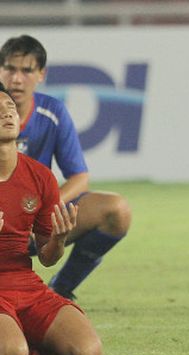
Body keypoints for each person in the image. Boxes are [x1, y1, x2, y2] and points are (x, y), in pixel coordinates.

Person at [0, 35, 131, 300]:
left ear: (41, 75)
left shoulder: (53, 112)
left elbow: (80, 177)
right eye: (11, 69)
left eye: (27, 70)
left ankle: (60, 288)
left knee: (117, 210)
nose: (16, 79)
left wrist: (44, 209)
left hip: (36, 219)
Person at [0, 82, 102, 355]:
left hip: (25, 285)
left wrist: (58, 239)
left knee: (88, 353)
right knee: (11, 353)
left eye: (10, 109)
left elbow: (46, 257)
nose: (7, 115)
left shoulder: (40, 177)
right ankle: (20, 346)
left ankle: (21, 341)